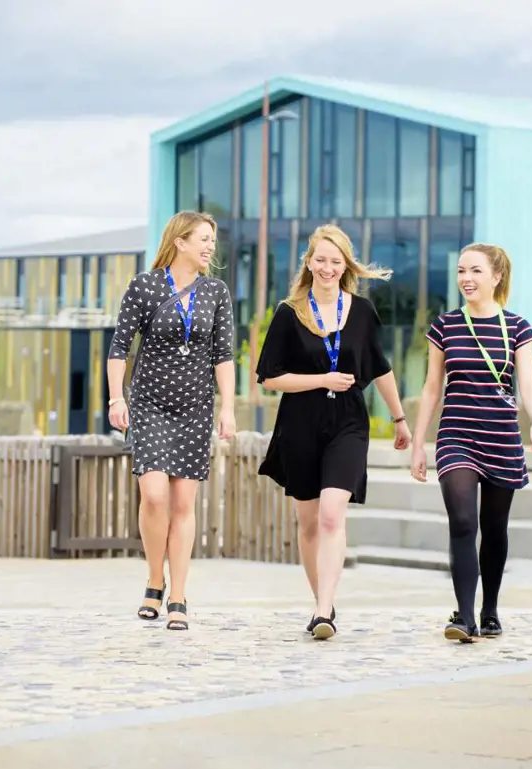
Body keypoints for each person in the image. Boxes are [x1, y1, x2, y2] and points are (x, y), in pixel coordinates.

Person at [256, 224, 411, 640]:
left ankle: (324, 611)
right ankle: (320, 600)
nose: (327, 268)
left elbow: (380, 368)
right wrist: (321, 379)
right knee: (308, 524)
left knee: (330, 514)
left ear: (347, 266)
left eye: (335, 261)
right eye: (320, 260)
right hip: (301, 423)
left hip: (348, 422)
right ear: (309, 262)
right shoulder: (290, 312)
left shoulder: (360, 312)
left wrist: (399, 419)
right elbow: (269, 377)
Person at [409, 243, 532, 643]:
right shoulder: (445, 326)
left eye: (475, 271)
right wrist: (420, 443)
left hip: (501, 437)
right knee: (464, 521)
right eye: (460, 271)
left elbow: (527, 383)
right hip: (456, 436)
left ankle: (489, 609)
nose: (466, 279)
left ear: (496, 276)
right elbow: (432, 387)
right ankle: (464, 616)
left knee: (494, 527)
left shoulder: (518, 328)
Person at [106, 211, 236, 631]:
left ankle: (177, 595)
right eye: (202, 238)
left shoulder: (216, 291)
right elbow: (119, 347)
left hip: (195, 408)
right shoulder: (144, 286)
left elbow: (224, 356)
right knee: (155, 495)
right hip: (149, 405)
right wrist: (115, 398)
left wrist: (228, 408)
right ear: (179, 241)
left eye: (212, 240)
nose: (209, 247)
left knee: (183, 504)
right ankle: (154, 578)